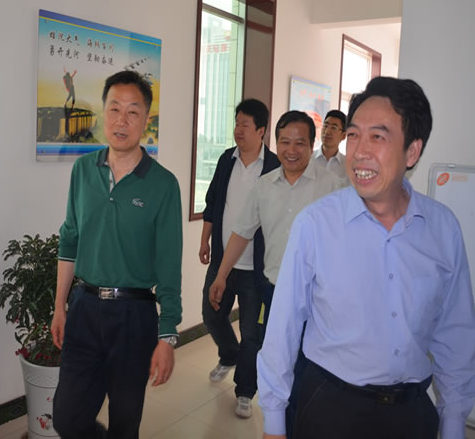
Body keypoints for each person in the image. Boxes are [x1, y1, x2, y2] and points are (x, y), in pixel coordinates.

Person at [258, 77, 475, 439]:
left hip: (411, 414)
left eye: (378, 136)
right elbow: (283, 328)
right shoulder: (316, 224)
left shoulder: (442, 229)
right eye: (354, 135)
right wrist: (273, 422)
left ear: (412, 152)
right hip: (329, 406)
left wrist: (453, 424)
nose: (359, 151)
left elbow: (456, 334)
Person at [51, 70, 183, 439]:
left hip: (134, 316)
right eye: (114, 109)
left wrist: (167, 335)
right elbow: (69, 240)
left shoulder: (163, 185)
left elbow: (169, 265)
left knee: (125, 423)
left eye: (132, 112)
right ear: (103, 111)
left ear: (146, 119)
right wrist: (60, 306)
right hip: (84, 308)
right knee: (66, 419)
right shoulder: (83, 170)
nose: (121, 121)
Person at [208, 110, 343, 418]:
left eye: (300, 143)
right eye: (285, 142)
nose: (291, 150)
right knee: (277, 362)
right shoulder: (264, 185)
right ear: (276, 142)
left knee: (311, 367)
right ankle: (278, 422)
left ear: (312, 145)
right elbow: (241, 233)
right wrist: (221, 275)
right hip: (275, 293)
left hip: (318, 297)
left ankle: (304, 419)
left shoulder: (333, 187)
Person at [199, 99, 281, 419]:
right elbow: (212, 203)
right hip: (223, 260)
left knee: (252, 334)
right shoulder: (226, 160)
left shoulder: (273, 167)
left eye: (245, 125)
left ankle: (245, 390)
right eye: (237, 123)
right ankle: (228, 354)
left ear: (261, 130)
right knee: (211, 314)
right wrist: (205, 240)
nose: (238, 130)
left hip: (255, 269)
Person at [312, 109, 347, 178]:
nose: (327, 131)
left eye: (333, 128)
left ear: (343, 136)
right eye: (325, 126)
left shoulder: (347, 165)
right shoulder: (308, 159)